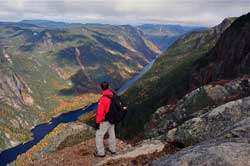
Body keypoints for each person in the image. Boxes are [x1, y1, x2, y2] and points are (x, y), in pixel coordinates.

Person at [95, 81, 116, 157]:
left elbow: (100, 113)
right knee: (112, 133)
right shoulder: (113, 95)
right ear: (109, 87)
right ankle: (112, 149)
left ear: (101, 88)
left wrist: (97, 123)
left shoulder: (103, 99)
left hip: (105, 120)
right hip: (113, 118)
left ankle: (101, 153)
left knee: (99, 135)